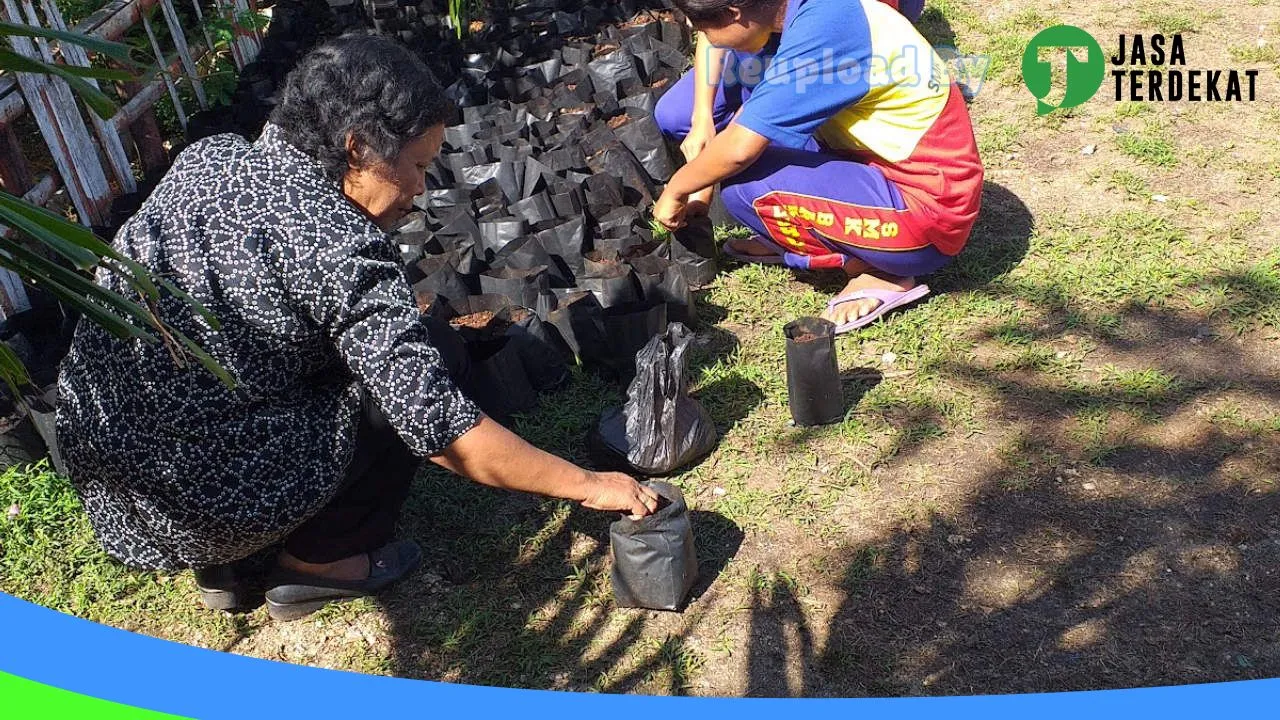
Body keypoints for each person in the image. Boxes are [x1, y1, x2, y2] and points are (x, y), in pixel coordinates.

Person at [55, 35, 659, 622]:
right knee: (432, 357)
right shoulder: (338, 248)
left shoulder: (210, 159)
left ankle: (229, 563)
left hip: (124, 494)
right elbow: (441, 429)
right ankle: (321, 562)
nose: (422, 189)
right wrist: (588, 485)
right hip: (209, 503)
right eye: (418, 165)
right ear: (359, 149)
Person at [652, 0, 982, 332]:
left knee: (747, 186)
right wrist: (704, 135)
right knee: (747, 166)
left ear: (736, 14)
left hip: (928, 215)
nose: (696, 31)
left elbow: (740, 149)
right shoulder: (796, 13)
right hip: (880, 168)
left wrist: (678, 187)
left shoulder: (825, 32)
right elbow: (754, 116)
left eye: (703, 25)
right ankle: (815, 232)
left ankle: (880, 271)